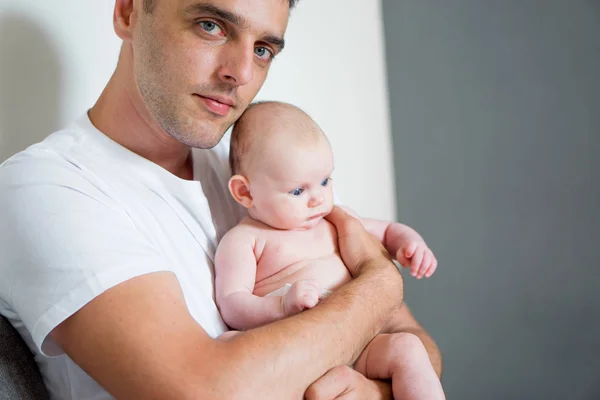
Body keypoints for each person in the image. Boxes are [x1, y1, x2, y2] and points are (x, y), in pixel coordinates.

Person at [0, 0, 442, 398]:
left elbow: (415, 343)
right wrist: (382, 281)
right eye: (211, 26)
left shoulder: (268, 173)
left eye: (263, 49)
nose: (242, 73)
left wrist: (372, 393)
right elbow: (205, 391)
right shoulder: (48, 186)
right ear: (128, 12)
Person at [215, 101, 445, 399]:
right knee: (228, 345)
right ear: (245, 192)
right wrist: (281, 306)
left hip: (358, 343)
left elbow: (386, 231)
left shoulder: (335, 218)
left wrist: (409, 243)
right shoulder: (245, 240)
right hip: (294, 352)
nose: (318, 198)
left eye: (325, 181)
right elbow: (232, 303)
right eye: (298, 191)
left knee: (408, 348)